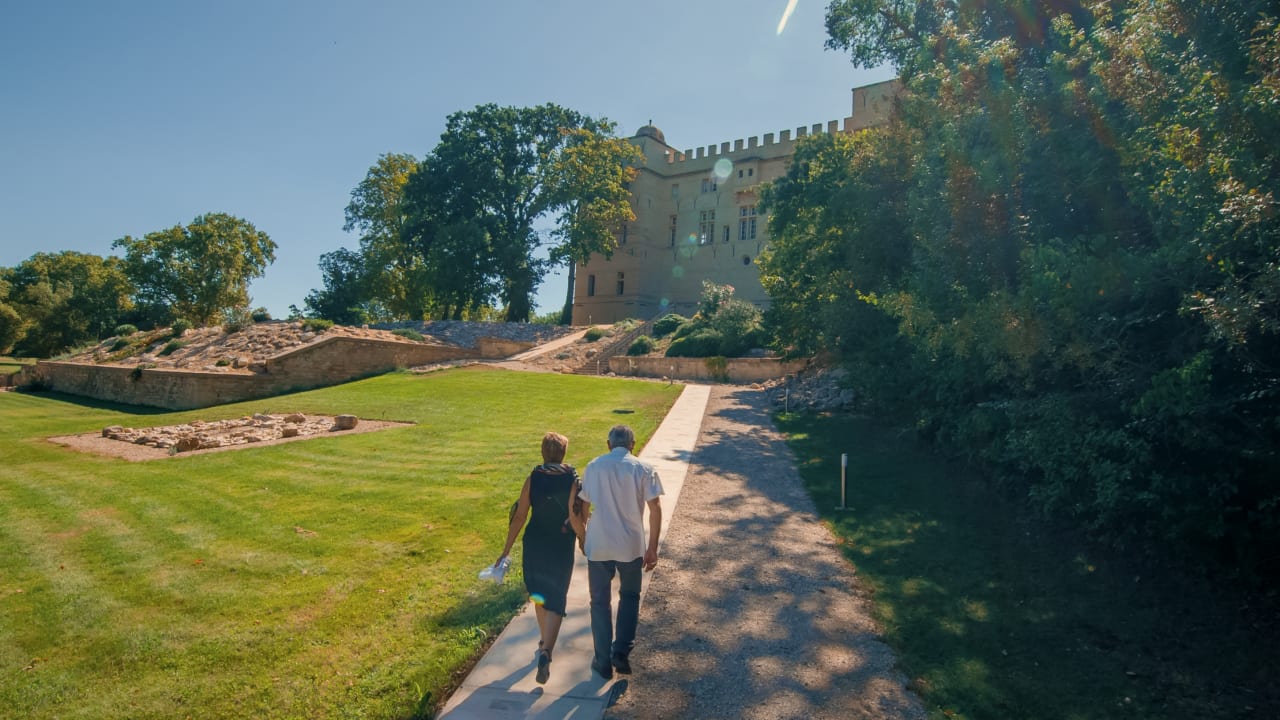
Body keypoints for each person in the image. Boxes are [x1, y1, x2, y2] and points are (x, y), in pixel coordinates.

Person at [575, 424, 664, 680]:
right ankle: (621, 651)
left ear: (608, 444)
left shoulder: (594, 466)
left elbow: (584, 505)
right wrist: (652, 547)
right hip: (630, 545)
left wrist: (583, 536)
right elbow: (655, 508)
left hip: (600, 543)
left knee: (599, 602)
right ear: (632, 445)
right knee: (630, 597)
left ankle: (602, 660)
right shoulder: (644, 469)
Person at [495, 431, 583, 684]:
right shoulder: (572, 479)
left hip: (534, 542)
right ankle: (546, 651)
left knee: (539, 594)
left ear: (543, 452)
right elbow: (575, 515)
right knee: (556, 597)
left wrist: (505, 550)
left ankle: (544, 640)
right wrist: (583, 539)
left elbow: (520, 516)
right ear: (563, 453)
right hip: (560, 544)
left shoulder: (533, 478)